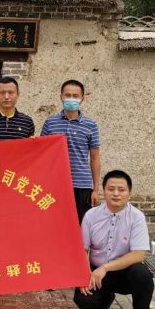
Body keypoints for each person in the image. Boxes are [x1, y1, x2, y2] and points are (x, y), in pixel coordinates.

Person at [73, 170, 154, 309]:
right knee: (84, 301)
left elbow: (139, 255)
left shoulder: (137, 217)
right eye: (111, 189)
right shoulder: (91, 215)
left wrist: (105, 268)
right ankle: (105, 298)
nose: (116, 193)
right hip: (96, 273)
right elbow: (82, 249)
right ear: (104, 191)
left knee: (142, 275)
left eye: (121, 189)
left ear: (129, 193)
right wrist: (84, 274)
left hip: (124, 272)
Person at [40, 79, 101, 223]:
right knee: (56, 224)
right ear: (61, 97)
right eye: (67, 95)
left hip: (82, 184)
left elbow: (95, 158)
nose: (71, 99)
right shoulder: (50, 123)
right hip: (55, 184)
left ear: (82, 99)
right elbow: (42, 153)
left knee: (81, 225)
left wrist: (95, 190)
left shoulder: (91, 125)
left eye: (75, 96)